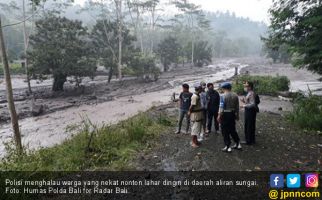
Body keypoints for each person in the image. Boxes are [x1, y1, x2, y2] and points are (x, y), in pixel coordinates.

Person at [217, 82, 242, 153]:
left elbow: (221, 107)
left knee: (225, 130)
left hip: (225, 114)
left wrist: (219, 115)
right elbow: (237, 107)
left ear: (224, 88)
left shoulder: (223, 96)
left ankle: (228, 146)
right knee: (232, 129)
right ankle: (238, 143)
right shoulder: (235, 95)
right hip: (232, 114)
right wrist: (237, 115)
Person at [188, 83, 204, 148]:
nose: (202, 89)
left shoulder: (197, 95)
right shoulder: (195, 96)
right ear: (199, 89)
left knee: (197, 129)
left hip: (198, 114)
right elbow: (192, 106)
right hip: (195, 115)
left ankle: (196, 141)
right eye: (201, 88)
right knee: (194, 129)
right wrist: (189, 112)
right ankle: (193, 142)